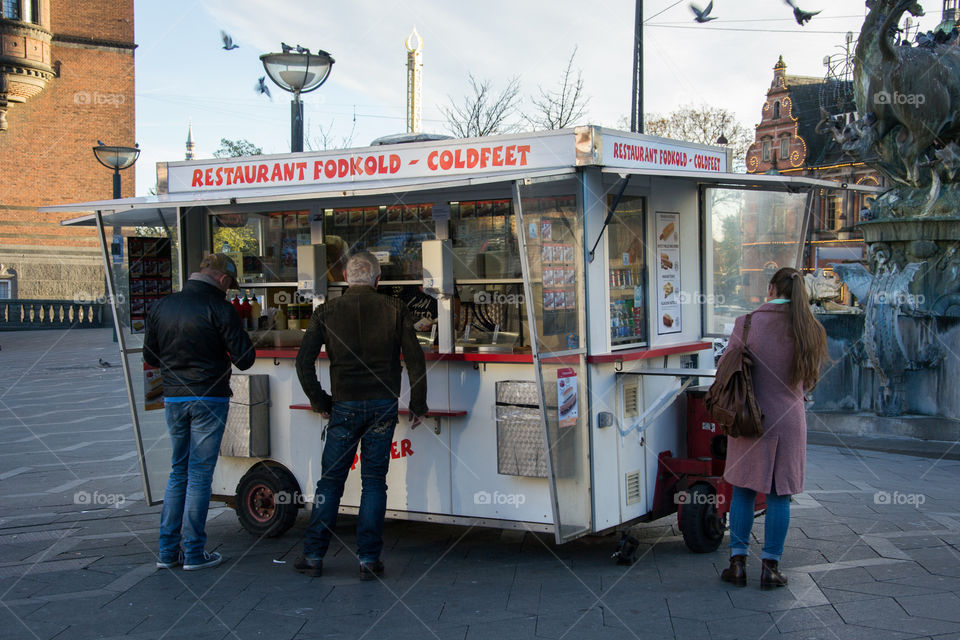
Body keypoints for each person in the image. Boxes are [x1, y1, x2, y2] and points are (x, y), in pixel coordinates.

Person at [295, 251, 427, 580]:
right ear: (378, 279)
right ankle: (368, 559)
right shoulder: (395, 308)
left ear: (344, 277)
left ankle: (313, 556)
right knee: (373, 483)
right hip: (382, 403)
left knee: (330, 482)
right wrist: (418, 404)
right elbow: (415, 360)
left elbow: (302, 363)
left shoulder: (326, 311)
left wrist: (320, 400)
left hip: (343, 404)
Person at [144, 253, 255, 571]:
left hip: (175, 399)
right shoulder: (221, 308)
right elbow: (245, 358)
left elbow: (151, 354)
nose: (230, 291)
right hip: (209, 397)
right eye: (230, 285)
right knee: (200, 476)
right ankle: (193, 552)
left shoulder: (162, 305)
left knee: (178, 471)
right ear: (222, 279)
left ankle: (167, 552)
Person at [719, 267, 827, 588]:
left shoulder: (746, 323)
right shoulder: (810, 329)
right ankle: (771, 567)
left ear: (770, 289)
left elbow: (726, 368)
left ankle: (737, 564)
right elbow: (808, 382)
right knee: (781, 496)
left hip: (748, 417)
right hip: (789, 421)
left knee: (743, 490)